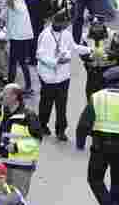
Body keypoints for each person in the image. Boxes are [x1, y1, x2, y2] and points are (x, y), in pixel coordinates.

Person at [76, 68, 119, 205]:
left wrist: (80, 142)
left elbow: (84, 124)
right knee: (118, 183)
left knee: (94, 179)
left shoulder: (97, 97)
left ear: (106, 81)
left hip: (99, 145)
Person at [37, 10, 89, 140]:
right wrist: (56, 62)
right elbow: (40, 55)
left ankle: (61, 131)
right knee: (46, 104)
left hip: (63, 77)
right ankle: (42, 125)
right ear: (56, 22)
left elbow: (74, 47)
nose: (66, 26)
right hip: (48, 77)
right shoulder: (45, 35)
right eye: (65, 24)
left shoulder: (66, 34)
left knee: (61, 105)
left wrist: (89, 50)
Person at [0, 84, 43, 196]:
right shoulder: (2, 112)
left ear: (14, 96)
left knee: (16, 198)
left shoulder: (28, 116)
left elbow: (36, 141)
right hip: (4, 163)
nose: (2, 95)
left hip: (22, 167)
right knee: (0, 198)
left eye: (5, 93)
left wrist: (17, 147)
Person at [82, 18, 119, 101]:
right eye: (94, 25)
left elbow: (117, 51)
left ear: (103, 24)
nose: (97, 28)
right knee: (92, 99)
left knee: (109, 99)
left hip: (109, 72)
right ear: (91, 25)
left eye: (99, 25)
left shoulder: (112, 34)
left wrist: (107, 56)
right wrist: (91, 57)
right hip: (92, 73)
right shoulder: (84, 37)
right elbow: (82, 54)